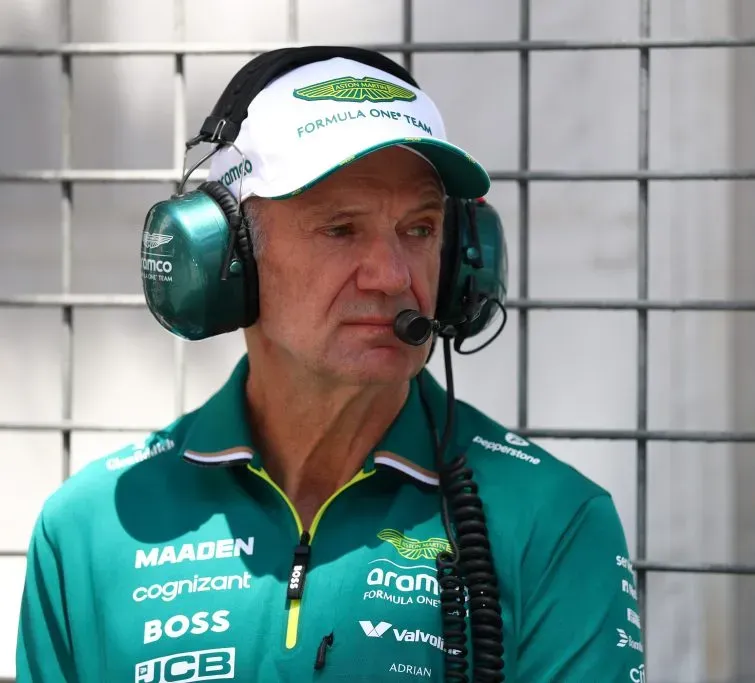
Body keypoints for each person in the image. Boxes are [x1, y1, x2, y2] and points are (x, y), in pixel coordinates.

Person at [15, 46, 647, 683]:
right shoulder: (90, 532)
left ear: (462, 261)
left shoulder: (555, 521)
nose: (393, 275)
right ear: (227, 256)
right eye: (341, 229)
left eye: (420, 229)